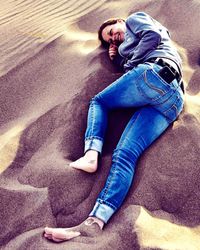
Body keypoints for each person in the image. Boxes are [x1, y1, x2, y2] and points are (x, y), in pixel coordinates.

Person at [44, 11, 184, 242]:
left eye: (111, 33)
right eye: (110, 40)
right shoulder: (127, 45)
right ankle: (94, 223)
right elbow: (134, 59)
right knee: (125, 155)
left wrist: (127, 59)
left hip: (155, 74)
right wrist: (117, 57)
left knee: (99, 102)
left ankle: (91, 154)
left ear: (119, 21)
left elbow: (151, 36)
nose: (114, 38)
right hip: (172, 102)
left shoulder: (134, 19)